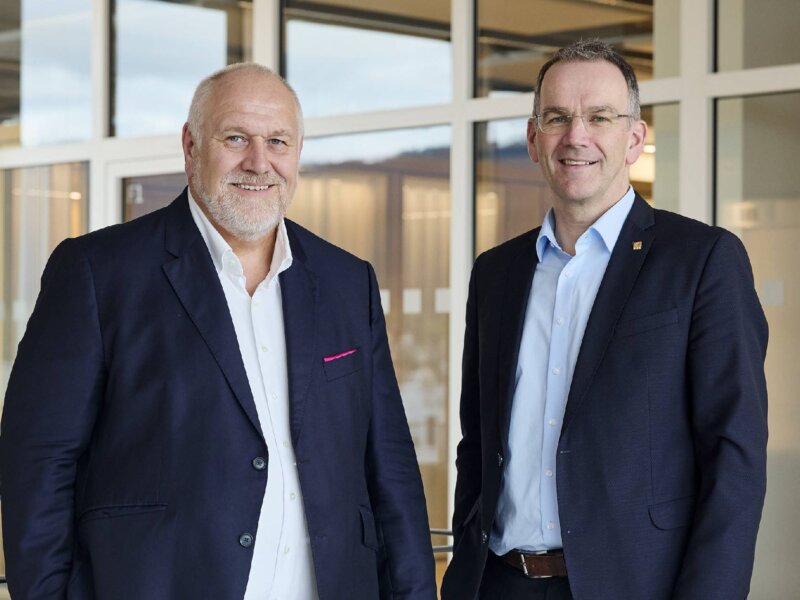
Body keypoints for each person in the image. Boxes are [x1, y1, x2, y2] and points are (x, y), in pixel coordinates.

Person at [1, 63, 436, 600]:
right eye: (235, 138)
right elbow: (39, 463)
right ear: (191, 146)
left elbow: (390, 467)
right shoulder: (98, 272)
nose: (259, 162)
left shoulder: (347, 282)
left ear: (298, 152)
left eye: (277, 141)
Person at [441, 40, 768, 600]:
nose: (576, 136)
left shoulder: (701, 260)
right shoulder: (496, 273)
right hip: (497, 583)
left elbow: (733, 458)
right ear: (533, 139)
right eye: (557, 118)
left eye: (599, 117)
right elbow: (477, 444)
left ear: (634, 139)